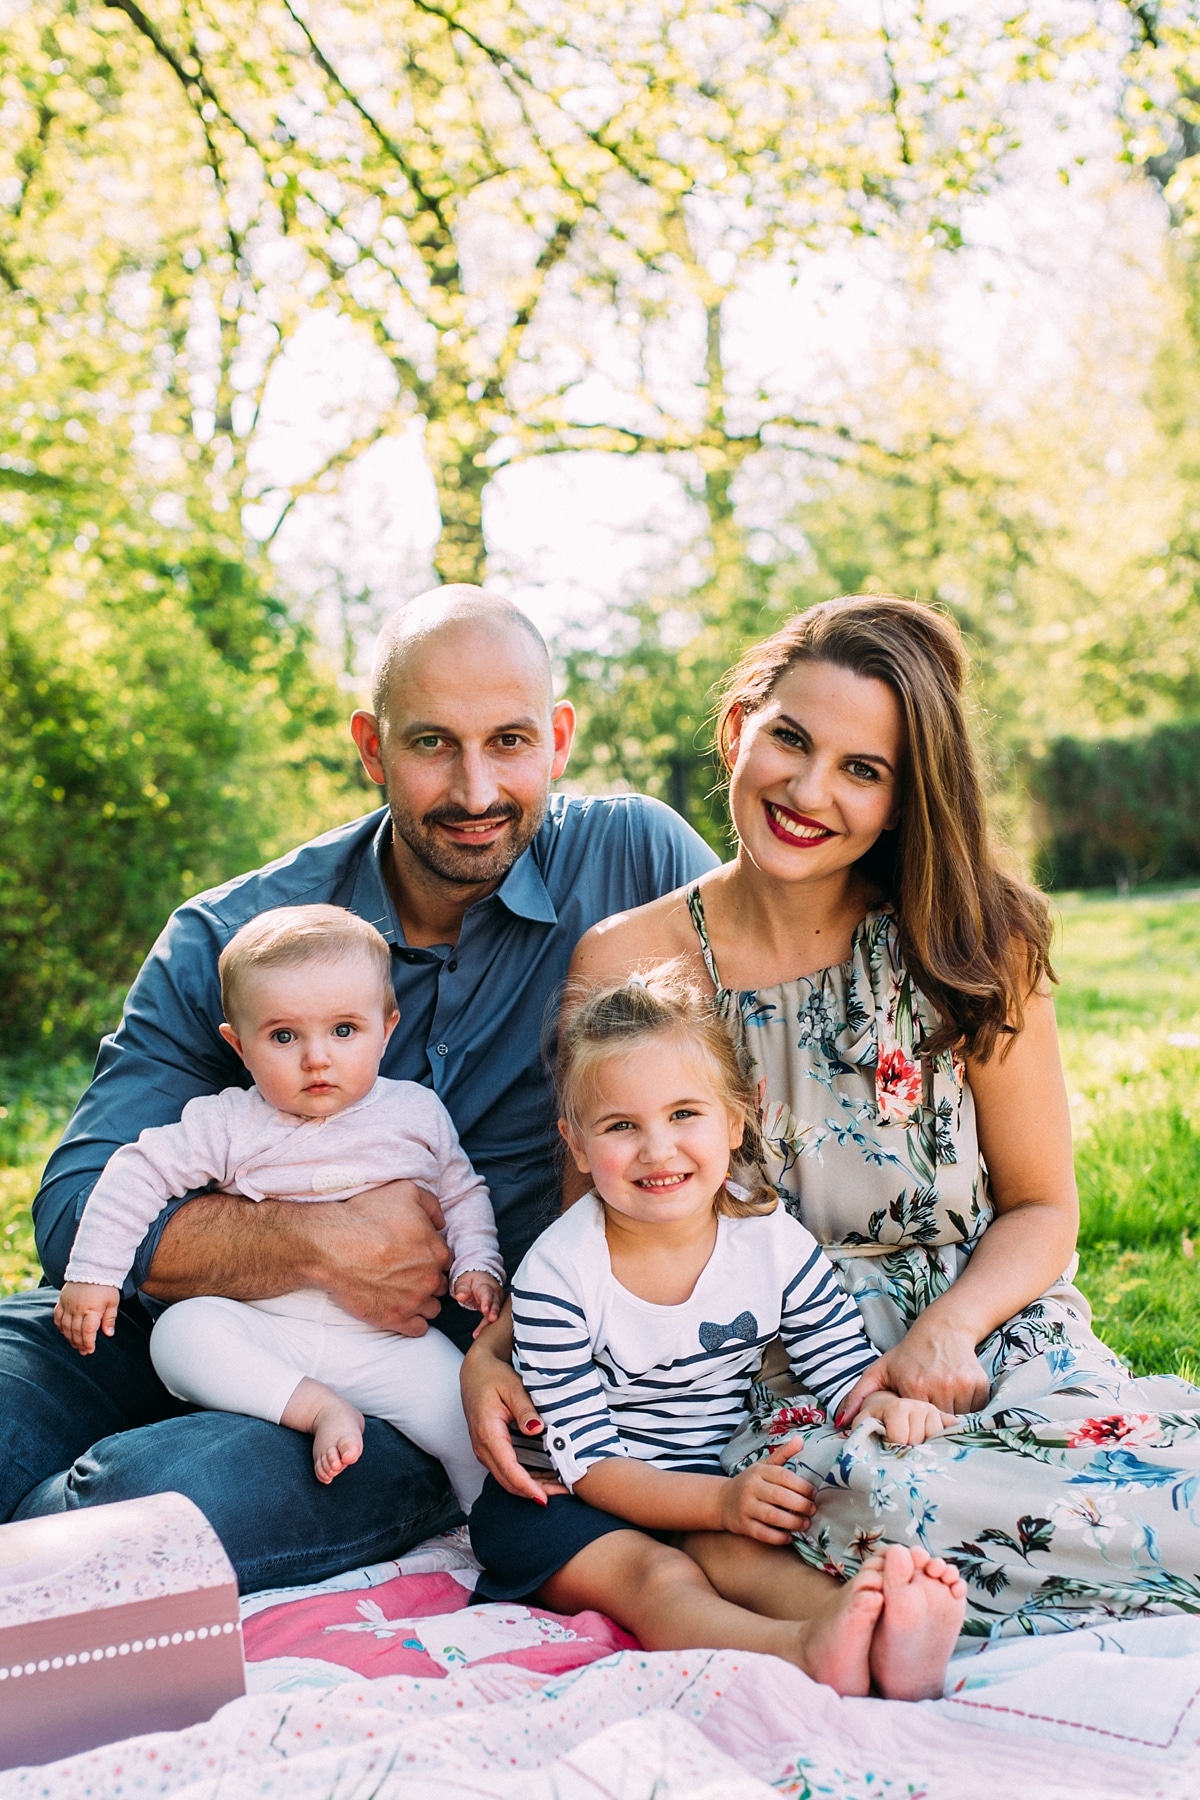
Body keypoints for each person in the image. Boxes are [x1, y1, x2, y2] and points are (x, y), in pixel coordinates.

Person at [465, 594, 1200, 1641]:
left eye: (864, 769)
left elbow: (1043, 1208)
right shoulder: (626, 964)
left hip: (983, 1336)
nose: (809, 791)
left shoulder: (972, 942)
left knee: (1146, 1478)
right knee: (876, 1503)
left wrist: (945, 1333)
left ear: (903, 802)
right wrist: (500, 1347)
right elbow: (610, 1229)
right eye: (791, 741)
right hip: (770, 1376)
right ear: (738, 731)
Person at [5, 584, 717, 1592]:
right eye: (433, 745)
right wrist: (317, 1246)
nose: (476, 789)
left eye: (510, 742)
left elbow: (769, 1074)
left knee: (116, 1511)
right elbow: (77, 1215)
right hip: (181, 1318)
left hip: (425, 1383)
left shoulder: (635, 860)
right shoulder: (235, 937)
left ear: (558, 737)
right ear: (371, 748)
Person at [468, 968, 966, 1699]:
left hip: (702, 1480)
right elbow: (594, 1469)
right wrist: (721, 1504)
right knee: (660, 1574)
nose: (657, 1149)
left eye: (683, 1114)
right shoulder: (558, 1278)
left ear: (735, 1121)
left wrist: (884, 1405)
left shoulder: (769, 1239)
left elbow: (839, 1366)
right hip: (558, 1502)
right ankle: (802, 1652)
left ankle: (872, 1632)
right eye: (620, 1126)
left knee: (747, 1558)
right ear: (576, 1145)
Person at [55, 905, 501, 1508]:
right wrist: (94, 1273)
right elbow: (139, 1168)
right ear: (239, 1045)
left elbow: (461, 1190)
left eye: (344, 1031)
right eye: (284, 1036)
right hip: (264, 1329)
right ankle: (315, 1406)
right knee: (182, 1337)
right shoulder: (231, 1121)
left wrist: (478, 1264)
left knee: (464, 1410)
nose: (316, 1058)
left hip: (387, 1341)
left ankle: (496, 1530)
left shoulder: (415, 1113)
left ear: (387, 1028)